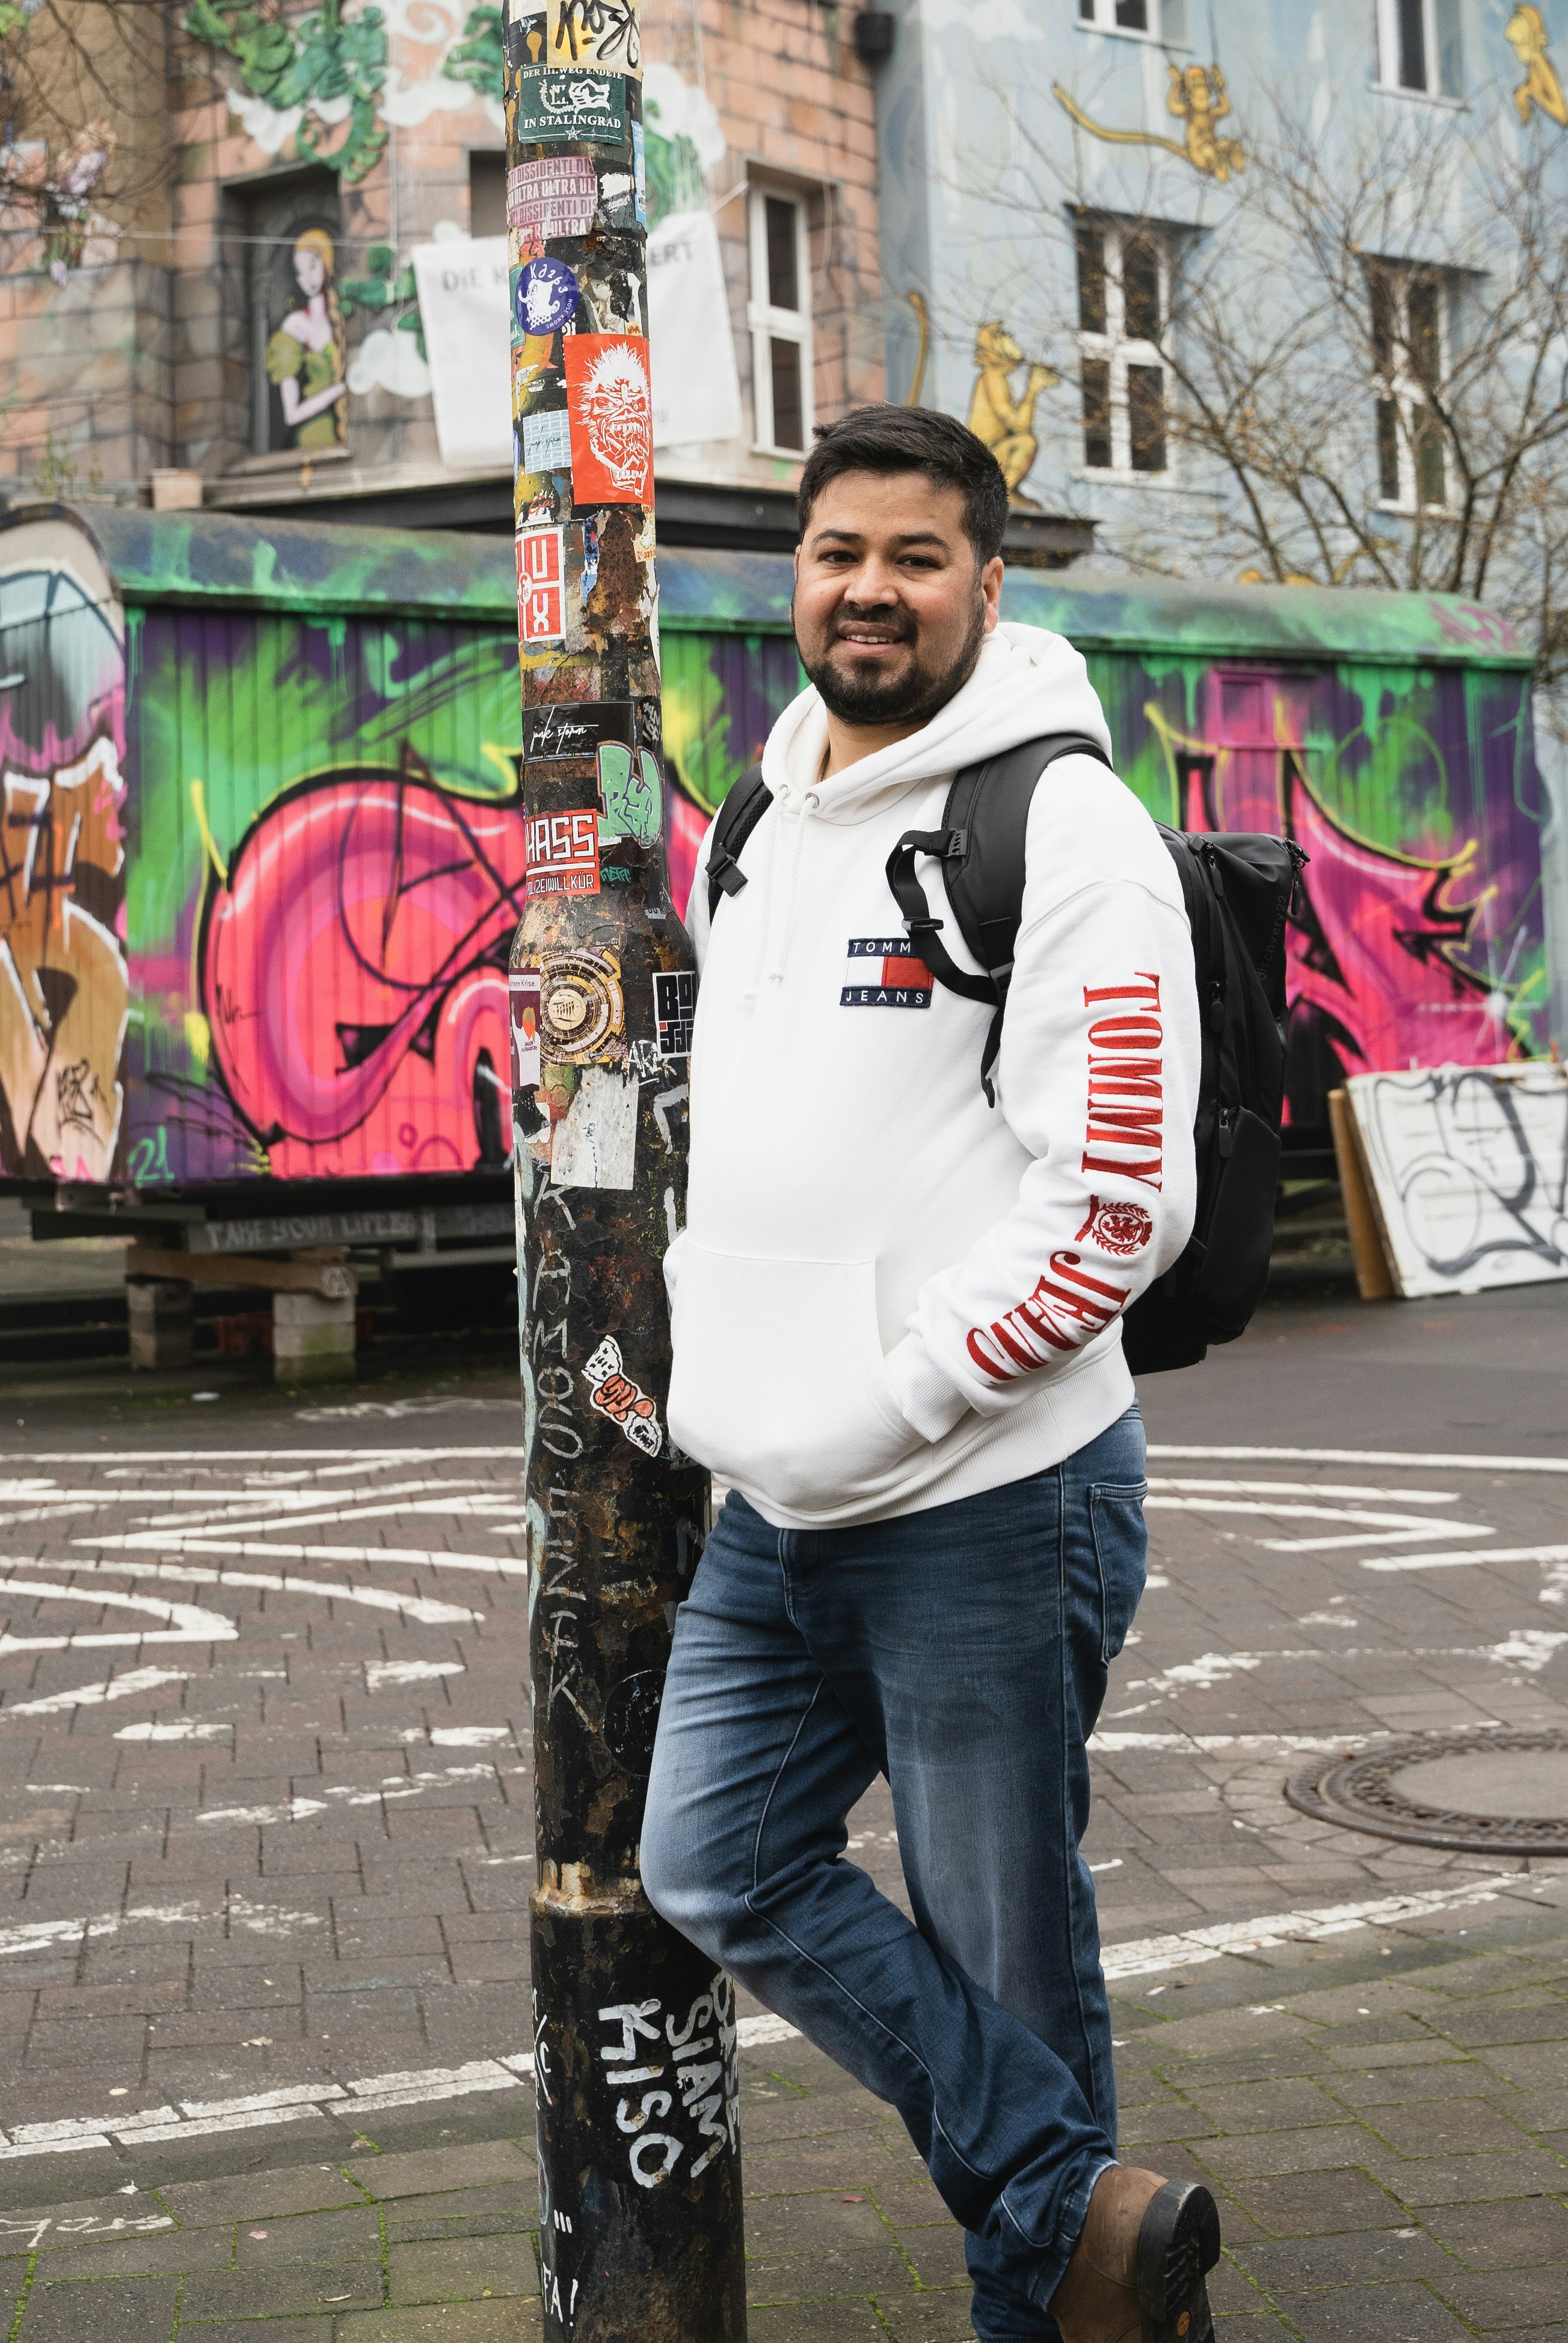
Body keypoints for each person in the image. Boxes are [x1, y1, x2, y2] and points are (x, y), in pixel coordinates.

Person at [639, 404, 1218, 2343]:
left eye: (912, 556)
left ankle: (1038, 2294)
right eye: (834, 553)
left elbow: (1114, 1201)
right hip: (774, 1507)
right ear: (788, 572)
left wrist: (889, 1396)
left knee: (1003, 1942)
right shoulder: (754, 815)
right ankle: (1082, 2213)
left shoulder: (1060, 824)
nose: (866, 589)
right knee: (708, 1857)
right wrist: (720, 1384)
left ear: (984, 575)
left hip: (984, 1494)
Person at [266, 227, 349, 451]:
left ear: (326, 262)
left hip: (349, 433)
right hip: (314, 436)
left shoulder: (343, 315)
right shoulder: (294, 326)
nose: (309, 278)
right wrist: (339, 391)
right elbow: (291, 414)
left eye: (313, 266)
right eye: (301, 272)